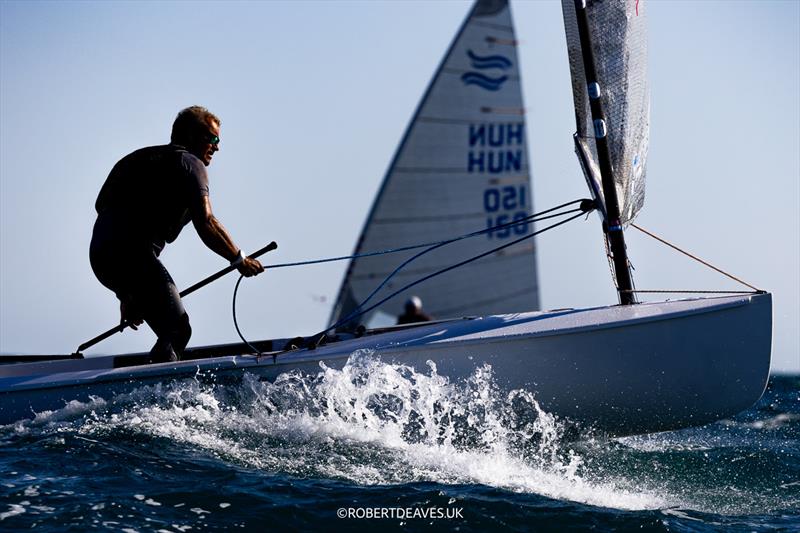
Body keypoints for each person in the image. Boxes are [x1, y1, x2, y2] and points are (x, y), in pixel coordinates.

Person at [89, 106, 264, 363]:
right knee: (178, 330)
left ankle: (152, 383)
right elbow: (207, 223)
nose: (216, 147)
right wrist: (239, 259)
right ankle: (157, 398)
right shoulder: (190, 164)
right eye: (212, 138)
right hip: (134, 257)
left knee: (169, 328)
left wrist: (126, 293)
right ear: (192, 135)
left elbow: (100, 206)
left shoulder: (134, 159)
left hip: (101, 258)